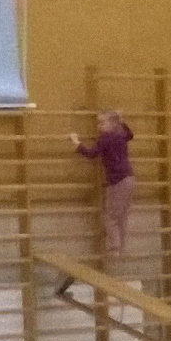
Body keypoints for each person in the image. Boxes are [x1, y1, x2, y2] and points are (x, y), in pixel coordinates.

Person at [56, 109, 137, 297]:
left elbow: (91, 154)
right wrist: (122, 121)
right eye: (98, 123)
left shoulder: (107, 138)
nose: (99, 126)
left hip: (119, 182)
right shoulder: (120, 134)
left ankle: (114, 252)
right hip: (128, 180)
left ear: (111, 124)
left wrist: (76, 142)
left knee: (110, 218)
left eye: (102, 122)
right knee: (121, 217)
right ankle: (120, 250)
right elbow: (130, 134)